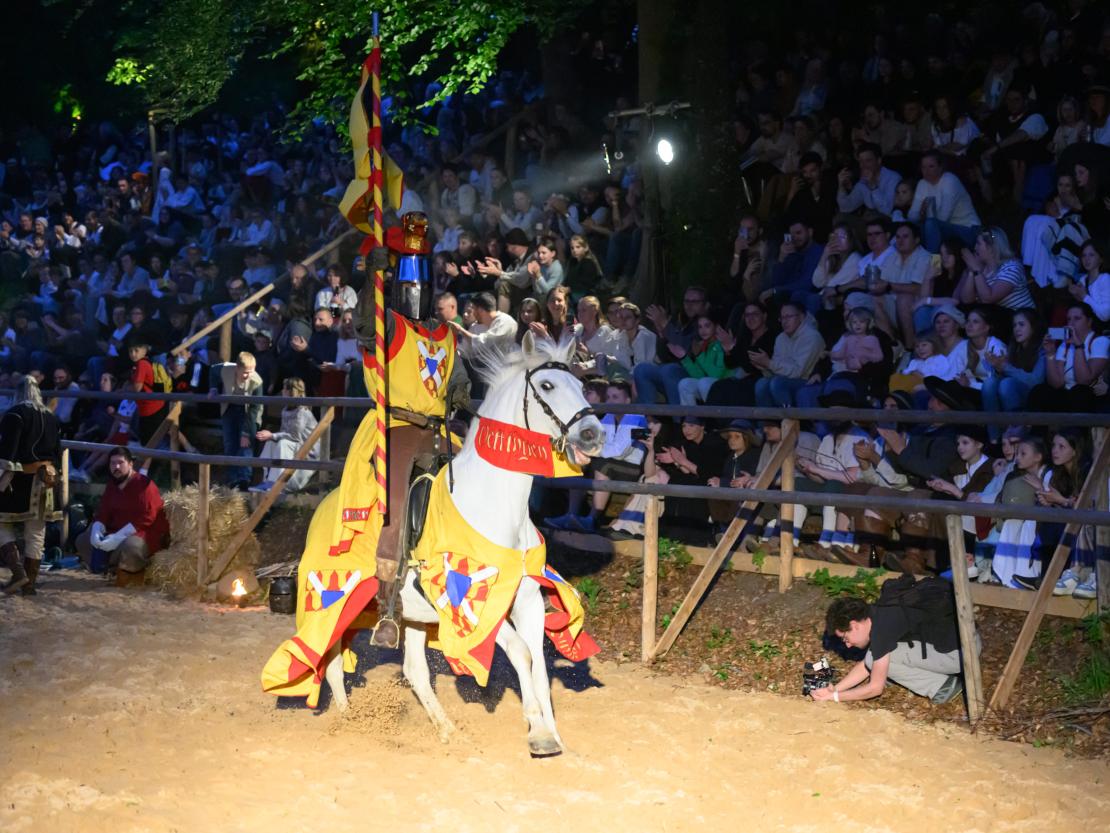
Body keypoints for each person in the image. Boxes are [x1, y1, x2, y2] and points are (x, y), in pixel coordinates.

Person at [817, 584, 968, 705]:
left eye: (845, 638)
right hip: (964, 642)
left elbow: (875, 688)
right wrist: (834, 689)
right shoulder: (877, 613)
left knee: (881, 661)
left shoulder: (881, 629)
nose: (848, 645)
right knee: (875, 659)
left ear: (855, 625)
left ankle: (942, 686)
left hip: (960, 655)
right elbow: (867, 663)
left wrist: (834, 697)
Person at [0, 377, 61, 596]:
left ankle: (18, 575)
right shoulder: (52, 418)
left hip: (22, 481)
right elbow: (56, 452)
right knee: (36, 533)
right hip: (47, 479)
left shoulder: (15, 414)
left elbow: (7, 455)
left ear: (18, 393)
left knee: (1, 525)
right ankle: (29, 584)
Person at [76, 446, 169, 585]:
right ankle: (110, 568)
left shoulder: (144, 485)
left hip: (142, 533)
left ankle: (135, 573)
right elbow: (104, 510)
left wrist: (120, 535)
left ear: (130, 464)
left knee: (132, 547)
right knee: (83, 540)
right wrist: (97, 526)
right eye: (113, 463)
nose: (116, 467)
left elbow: (148, 517)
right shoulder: (112, 484)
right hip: (114, 531)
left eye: (120, 463)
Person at [251, 377, 319, 493]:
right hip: (294, 445)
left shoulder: (302, 412)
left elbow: (295, 436)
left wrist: (272, 435)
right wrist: (272, 437)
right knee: (271, 442)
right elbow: (284, 432)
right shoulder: (285, 410)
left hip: (306, 450)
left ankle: (277, 484)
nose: (282, 391)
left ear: (292, 391)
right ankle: (267, 479)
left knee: (282, 443)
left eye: (285, 389)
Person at [211, 352, 264, 489]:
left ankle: (244, 479)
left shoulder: (256, 381)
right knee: (230, 443)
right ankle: (232, 479)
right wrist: (213, 388)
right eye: (246, 372)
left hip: (248, 413)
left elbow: (254, 409)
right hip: (229, 408)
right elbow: (212, 371)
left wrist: (246, 432)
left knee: (245, 446)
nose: (249, 375)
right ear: (237, 368)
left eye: (252, 371)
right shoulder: (225, 369)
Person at [911, 150, 981, 252]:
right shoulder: (922, 184)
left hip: (968, 229)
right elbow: (912, 215)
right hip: (944, 228)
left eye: (931, 166)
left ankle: (934, 264)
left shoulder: (950, 180)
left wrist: (924, 216)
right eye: (923, 167)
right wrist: (920, 214)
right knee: (908, 228)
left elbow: (943, 217)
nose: (926, 171)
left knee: (930, 225)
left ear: (940, 168)